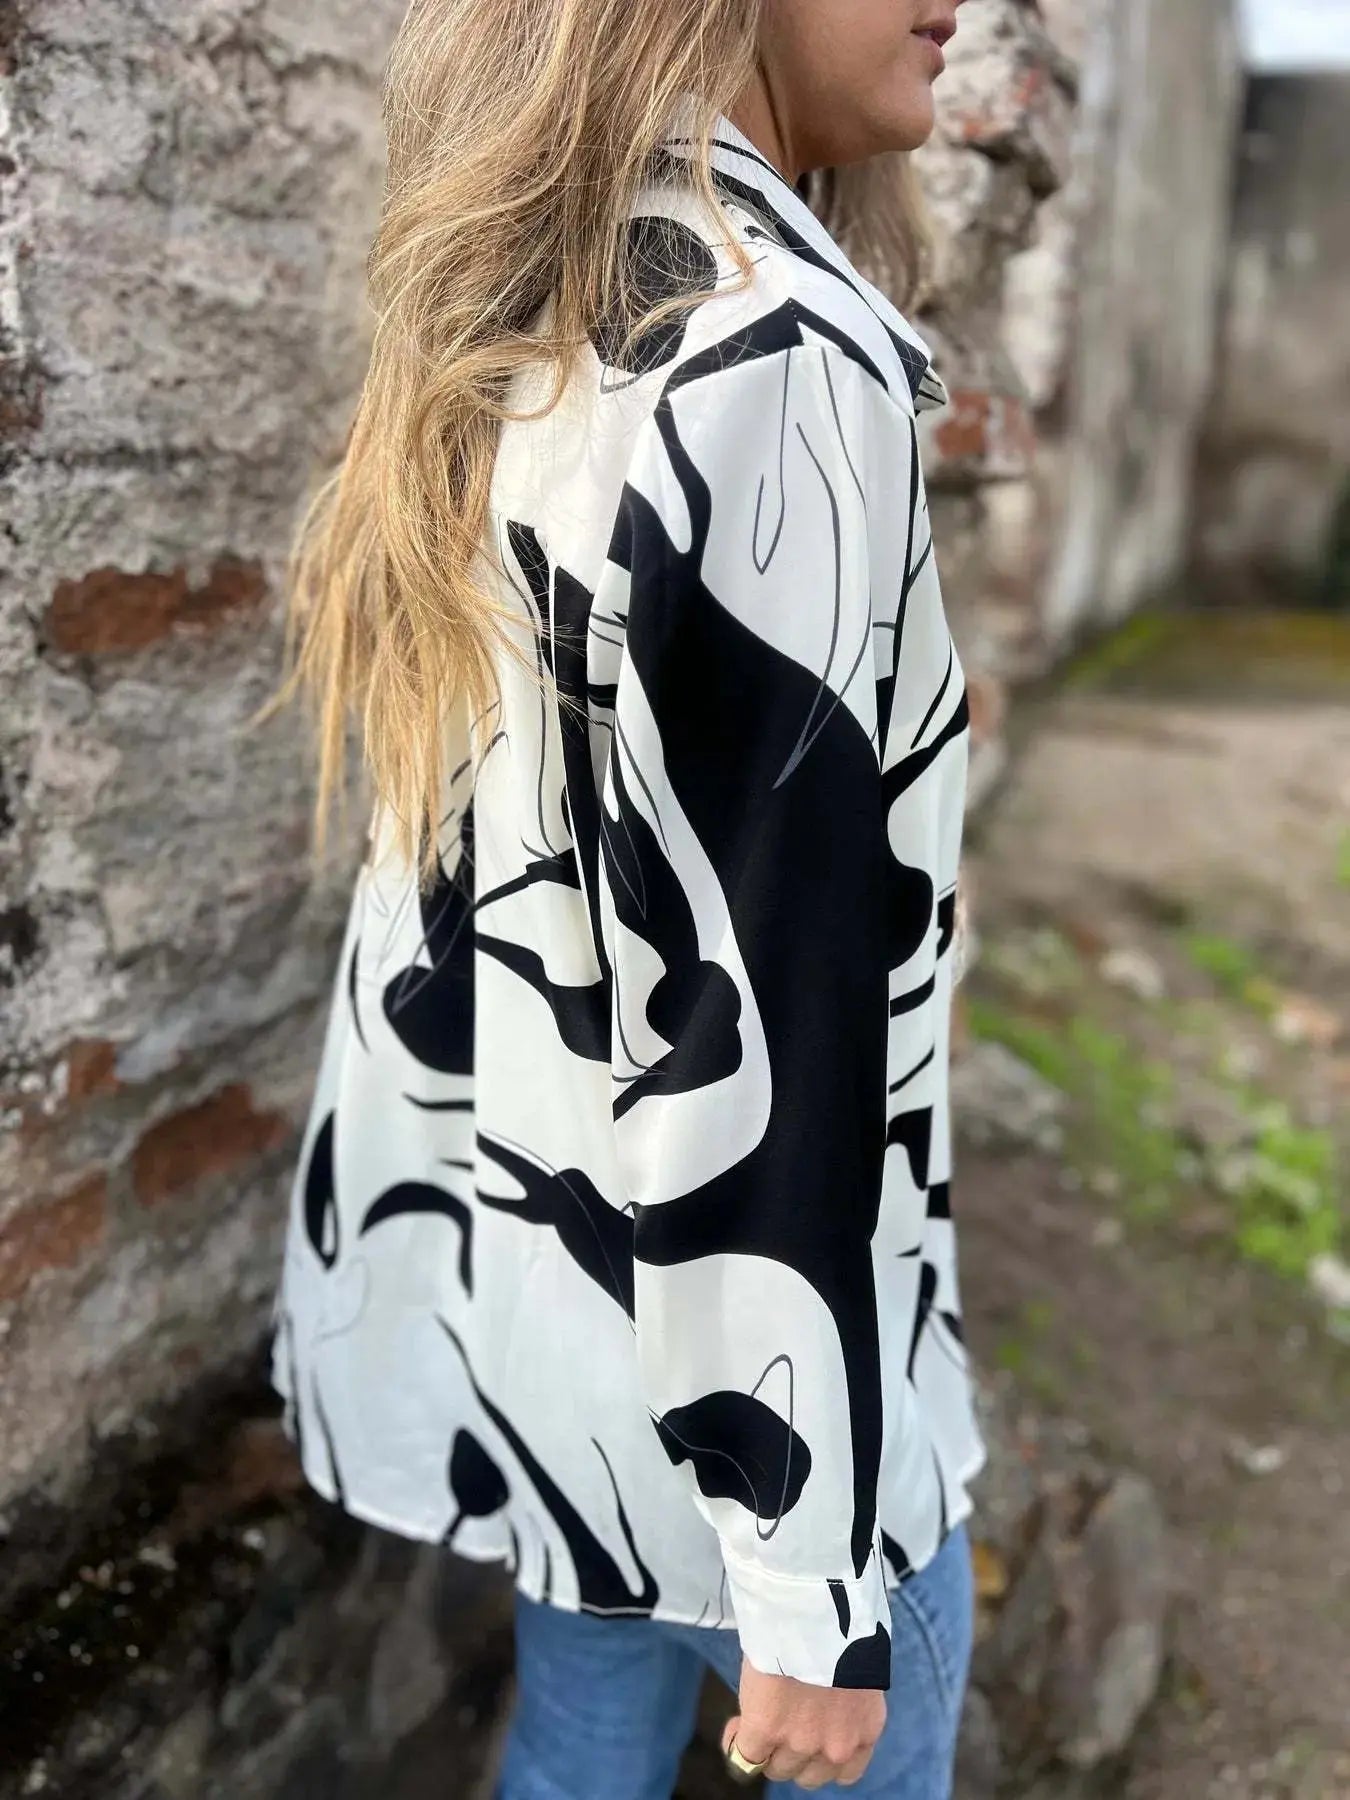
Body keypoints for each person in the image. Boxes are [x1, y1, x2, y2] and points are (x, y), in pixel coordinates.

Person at [264, 0, 981, 1793]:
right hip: (758, 1405)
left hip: (564, 1334)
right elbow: (775, 1000)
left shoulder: (533, 304)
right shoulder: (775, 355)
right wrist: (810, 1579)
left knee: (577, 1748)